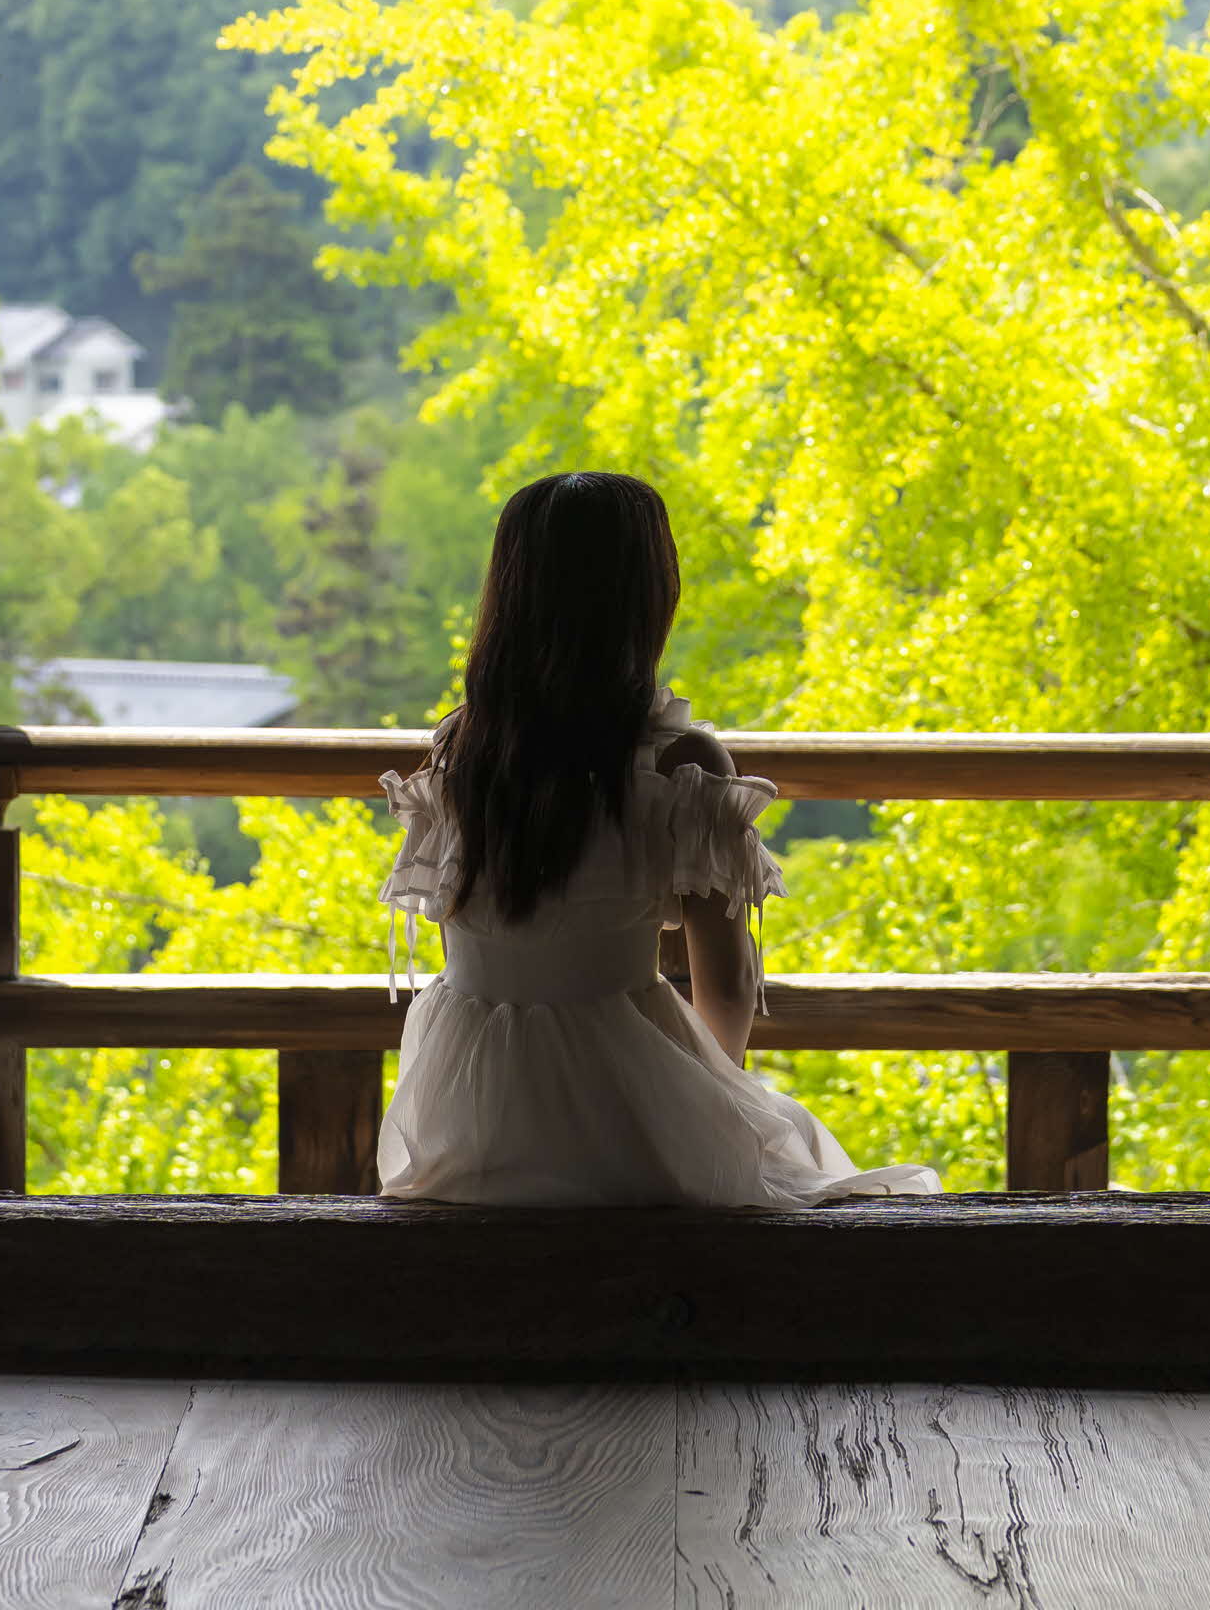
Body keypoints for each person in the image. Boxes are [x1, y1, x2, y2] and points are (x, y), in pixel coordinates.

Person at [372, 471, 938, 1204]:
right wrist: (704, 1105)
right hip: (621, 1113)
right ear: (647, 596)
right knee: (795, 1158)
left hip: (466, 1124)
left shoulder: (461, 756)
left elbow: (471, 954)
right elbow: (728, 987)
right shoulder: (679, 765)